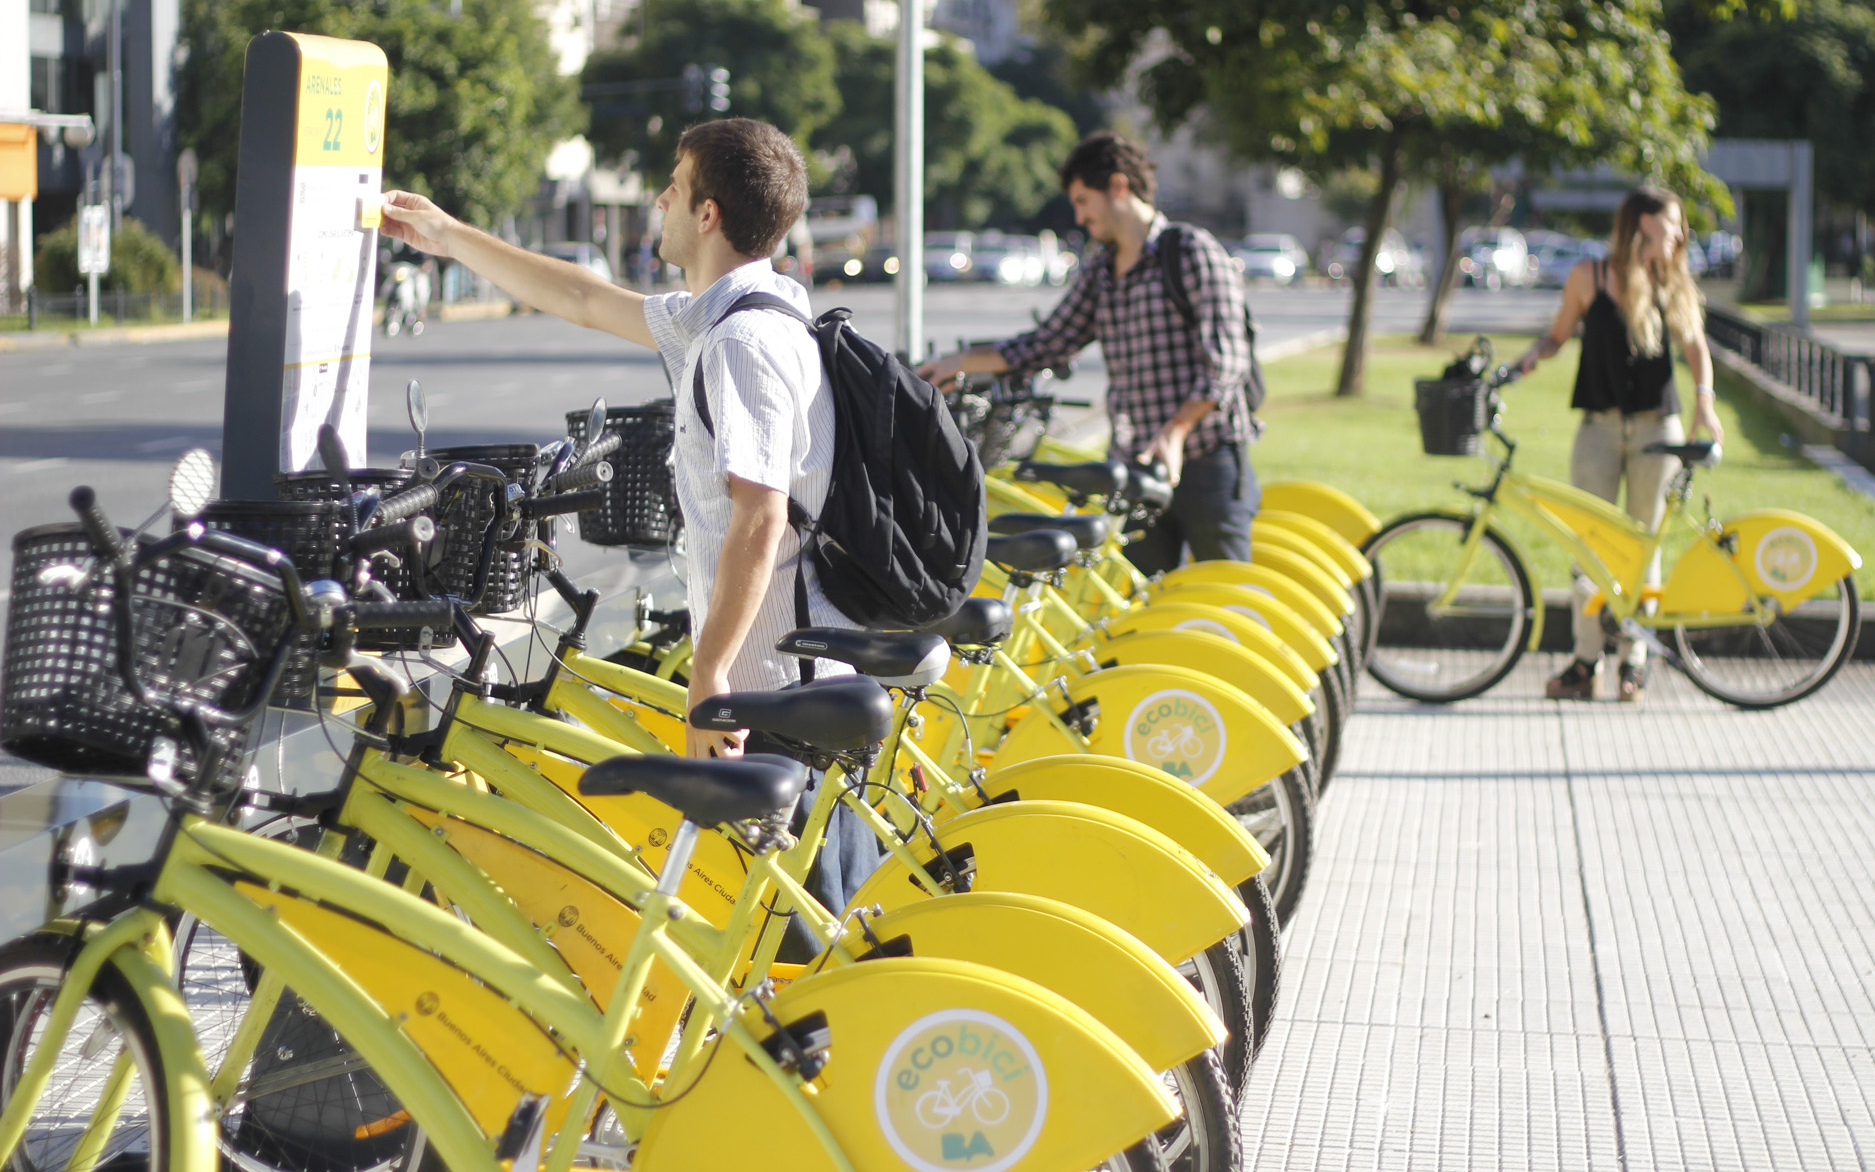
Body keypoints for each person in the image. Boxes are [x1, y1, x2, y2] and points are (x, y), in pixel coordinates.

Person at [379, 117, 855, 750]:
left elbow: (761, 517)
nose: (660, 200)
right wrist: (447, 235)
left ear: (707, 214)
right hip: (773, 686)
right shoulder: (735, 312)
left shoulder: (743, 341)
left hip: (774, 699)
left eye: (674, 186)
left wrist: (708, 678)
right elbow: (585, 297)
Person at [915, 131, 1261, 574]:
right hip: (1135, 467)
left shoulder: (1190, 251)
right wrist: (958, 364)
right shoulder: (1102, 269)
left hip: (1205, 461)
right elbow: (1047, 343)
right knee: (1139, 605)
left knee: (1225, 594)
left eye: (1083, 201)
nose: (1079, 216)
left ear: (1118, 187)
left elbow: (1227, 362)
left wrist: (1176, 431)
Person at [1513, 187, 1724, 704]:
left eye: (1677, 227)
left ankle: (1636, 659)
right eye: (1662, 227)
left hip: (1658, 429)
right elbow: (1560, 333)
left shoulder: (1670, 281)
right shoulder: (1590, 277)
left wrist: (1704, 402)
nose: (1674, 236)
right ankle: (1587, 661)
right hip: (1599, 430)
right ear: (1635, 230)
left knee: (1642, 543)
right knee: (1588, 546)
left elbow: (1696, 347)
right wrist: (1535, 353)